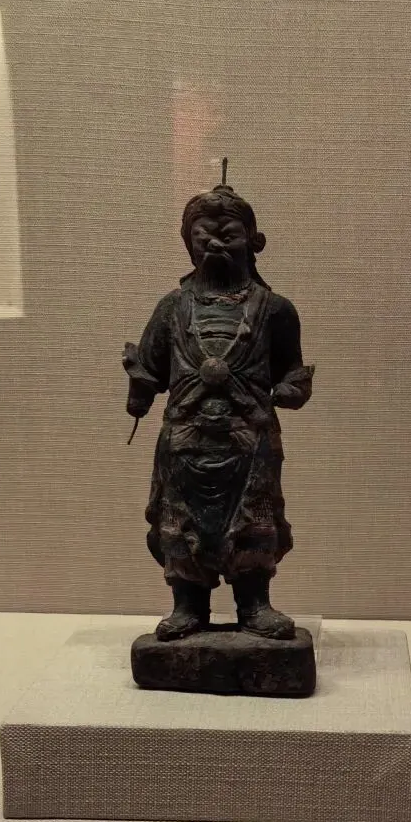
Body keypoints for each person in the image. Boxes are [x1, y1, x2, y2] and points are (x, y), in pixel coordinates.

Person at [123, 181, 313, 641]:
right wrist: (139, 391)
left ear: (254, 241)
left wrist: (290, 390)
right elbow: (150, 367)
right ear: (187, 243)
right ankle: (188, 606)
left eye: (228, 234)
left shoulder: (275, 310)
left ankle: (254, 604)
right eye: (202, 235)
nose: (214, 244)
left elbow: (292, 371)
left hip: (248, 438)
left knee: (255, 519)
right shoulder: (172, 308)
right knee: (179, 521)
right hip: (186, 439)